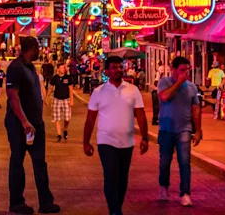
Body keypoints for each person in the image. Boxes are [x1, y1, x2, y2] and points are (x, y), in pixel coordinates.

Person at [83, 55, 149, 215]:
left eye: (120, 67)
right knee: (111, 176)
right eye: (114, 67)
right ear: (107, 71)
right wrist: (86, 142)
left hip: (127, 142)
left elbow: (140, 114)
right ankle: (114, 210)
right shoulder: (99, 92)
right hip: (106, 141)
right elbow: (90, 119)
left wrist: (145, 138)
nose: (118, 70)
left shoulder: (133, 90)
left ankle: (117, 206)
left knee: (122, 179)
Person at [5, 36, 59, 214]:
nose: (41, 51)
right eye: (39, 48)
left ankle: (45, 202)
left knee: (40, 163)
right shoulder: (16, 67)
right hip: (19, 124)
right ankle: (16, 203)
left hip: (36, 124)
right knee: (17, 162)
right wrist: (24, 121)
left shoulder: (30, 67)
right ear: (33, 48)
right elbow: (13, 95)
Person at [157, 55, 202, 207]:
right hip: (166, 129)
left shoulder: (192, 87)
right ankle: (164, 187)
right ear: (173, 70)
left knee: (184, 161)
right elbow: (164, 96)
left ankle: (185, 193)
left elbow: (196, 109)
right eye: (181, 70)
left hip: (184, 129)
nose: (184, 73)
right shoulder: (164, 82)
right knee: (165, 161)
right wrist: (178, 84)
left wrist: (198, 130)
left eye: (187, 70)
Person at [47, 63, 75, 142]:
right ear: (58, 69)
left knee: (67, 117)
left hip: (66, 99)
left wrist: (71, 100)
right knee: (57, 117)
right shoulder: (54, 78)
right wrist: (46, 97)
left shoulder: (68, 78)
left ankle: (65, 129)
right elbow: (51, 88)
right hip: (56, 99)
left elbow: (70, 89)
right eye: (62, 68)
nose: (63, 69)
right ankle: (59, 134)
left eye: (64, 68)